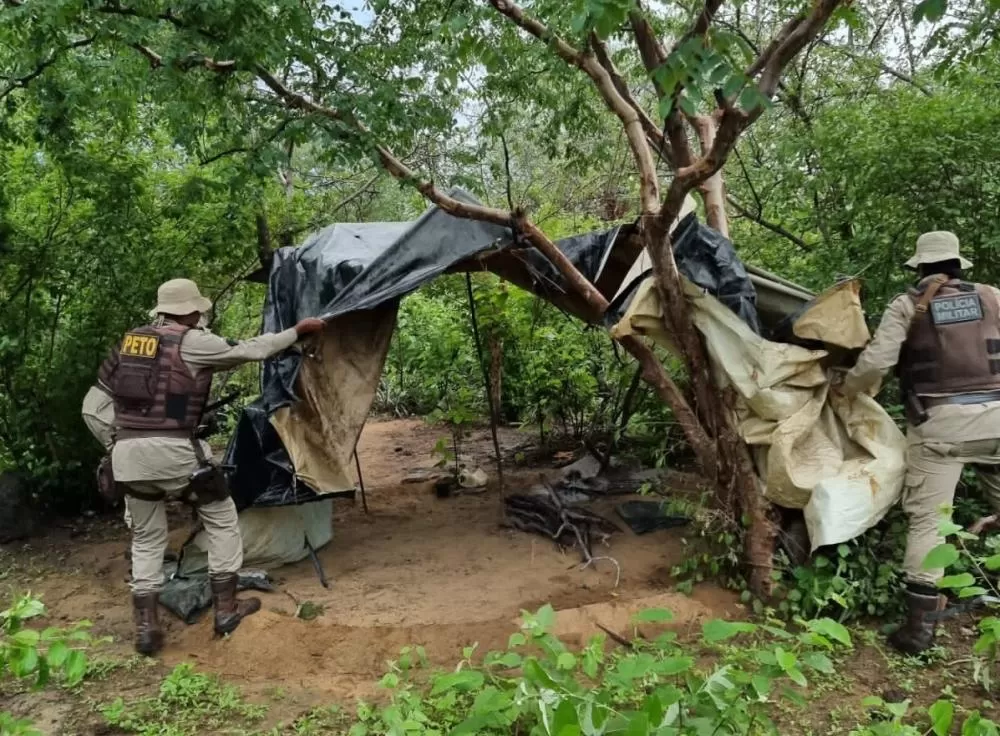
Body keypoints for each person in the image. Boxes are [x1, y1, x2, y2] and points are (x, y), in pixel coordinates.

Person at [100, 278, 324, 655]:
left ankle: (146, 627)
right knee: (220, 516)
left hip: (125, 455)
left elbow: (99, 399)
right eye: (197, 309)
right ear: (189, 310)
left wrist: (115, 442)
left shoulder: (129, 344)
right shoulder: (192, 341)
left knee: (147, 536)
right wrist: (297, 331)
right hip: (173, 452)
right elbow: (254, 350)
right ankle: (226, 609)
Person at [837, 231, 1000, 655]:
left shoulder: (908, 305)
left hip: (940, 432)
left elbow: (877, 362)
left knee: (929, 519)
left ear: (920, 268)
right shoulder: (993, 296)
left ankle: (919, 630)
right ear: (958, 264)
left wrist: (849, 391)